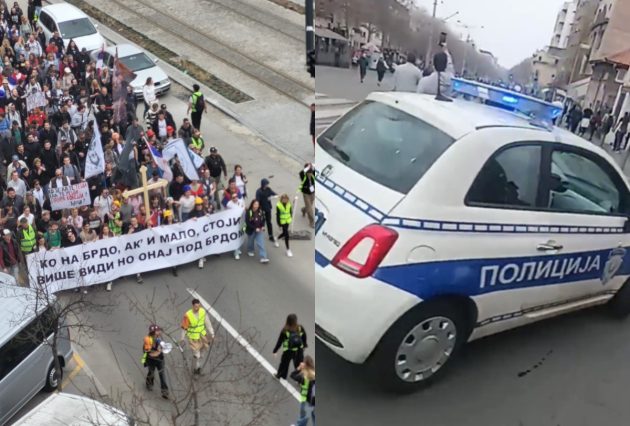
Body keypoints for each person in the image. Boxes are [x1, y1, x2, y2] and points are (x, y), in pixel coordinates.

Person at [179, 298, 215, 375]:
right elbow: (184, 328)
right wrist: (182, 338)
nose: (197, 308)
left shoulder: (202, 312)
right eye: (195, 306)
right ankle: (195, 371)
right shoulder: (188, 315)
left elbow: (208, 323)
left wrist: (212, 333)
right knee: (197, 355)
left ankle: (198, 368)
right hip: (193, 338)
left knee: (202, 354)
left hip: (203, 336)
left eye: (198, 306)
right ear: (192, 306)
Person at [273, 313, 307, 380]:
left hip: (288, 350)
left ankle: (280, 375)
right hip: (299, 350)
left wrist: (275, 351)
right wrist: (304, 345)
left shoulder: (285, 330)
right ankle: (300, 379)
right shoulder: (300, 327)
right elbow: (304, 337)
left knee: (284, 364)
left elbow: (279, 341)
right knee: (299, 364)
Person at [142, 324, 169, 399]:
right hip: (151, 360)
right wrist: (159, 351)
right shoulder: (147, 340)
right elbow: (150, 353)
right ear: (153, 332)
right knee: (151, 373)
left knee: (162, 374)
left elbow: (162, 345)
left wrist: (164, 347)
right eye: (158, 331)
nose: (160, 332)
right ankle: (149, 383)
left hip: (160, 360)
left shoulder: (158, 339)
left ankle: (165, 391)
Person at [290, 355, 316, 426]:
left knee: (303, 417)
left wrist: (299, 368)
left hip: (306, 401)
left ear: (305, 364)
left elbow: (292, 375)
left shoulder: (305, 376)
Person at [245, 199, 269, 264]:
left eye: (257, 204)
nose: (256, 206)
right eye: (255, 204)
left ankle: (263, 257)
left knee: (261, 243)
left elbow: (263, 220)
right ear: (252, 204)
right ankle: (250, 250)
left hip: (259, 230)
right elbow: (247, 222)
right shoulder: (249, 212)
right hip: (251, 230)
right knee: (250, 241)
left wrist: (263, 226)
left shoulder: (260, 211)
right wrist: (255, 228)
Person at [225, 191, 245, 260]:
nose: (235, 198)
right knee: (235, 237)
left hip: (241, 221)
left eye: (236, 197)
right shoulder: (229, 204)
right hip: (233, 223)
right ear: (231, 198)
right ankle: (236, 253)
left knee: (240, 235)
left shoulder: (241, 201)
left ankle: (238, 249)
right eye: (233, 197)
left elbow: (243, 209)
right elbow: (227, 213)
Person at [299, 164, 315, 228]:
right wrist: (307, 168)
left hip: (312, 193)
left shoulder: (313, 174)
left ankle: (303, 210)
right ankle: (312, 221)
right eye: (309, 172)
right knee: (310, 208)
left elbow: (314, 170)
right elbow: (301, 172)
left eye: (311, 172)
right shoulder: (303, 176)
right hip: (306, 193)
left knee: (309, 206)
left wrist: (311, 166)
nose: (310, 174)